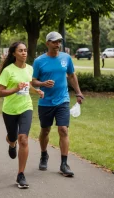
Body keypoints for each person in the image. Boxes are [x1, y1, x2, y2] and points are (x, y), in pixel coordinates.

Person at [32, 32, 84, 177]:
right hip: (45, 102)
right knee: (45, 130)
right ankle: (44, 155)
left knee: (63, 130)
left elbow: (72, 76)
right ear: (47, 43)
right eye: (54, 42)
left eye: (59, 42)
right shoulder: (39, 61)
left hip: (63, 100)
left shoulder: (66, 58)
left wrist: (78, 92)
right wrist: (42, 83)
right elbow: (33, 80)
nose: (57, 44)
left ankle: (64, 163)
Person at [0, 41, 44, 189]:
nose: (24, 53)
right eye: (20, 50)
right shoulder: (8, 71)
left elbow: (28, 84)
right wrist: (14, 89)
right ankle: (11, 143)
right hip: (10, 109)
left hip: (26, 107)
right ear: (14, 54)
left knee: (23, 138)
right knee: (13, 137)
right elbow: (0, 92)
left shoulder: (30, 69)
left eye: (25, 50)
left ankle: (21, 174)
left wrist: (36, 91)